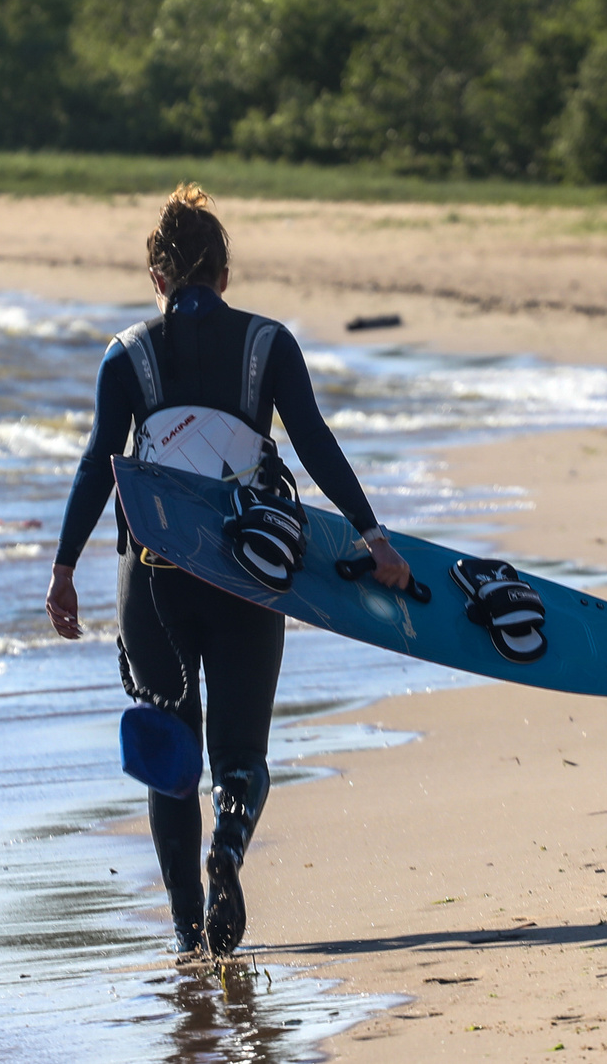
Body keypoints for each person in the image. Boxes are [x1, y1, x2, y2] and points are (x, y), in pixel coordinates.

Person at [45, 185, 411, 959]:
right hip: (248, 571)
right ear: (224, 271)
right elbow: (312, 441)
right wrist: (372, 534)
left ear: (158, 276)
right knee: (240, 751)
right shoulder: (269, 345)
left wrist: (64, 566)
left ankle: (186, 935)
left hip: (150, 578)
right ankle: (231, 847)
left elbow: (98, 466)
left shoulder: (126, 355)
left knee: (172, 756)